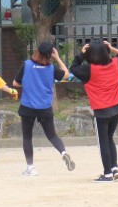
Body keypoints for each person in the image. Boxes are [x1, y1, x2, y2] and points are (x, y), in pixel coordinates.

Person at [12, 40, 76, 176]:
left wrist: (28, 84)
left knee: (27, 138)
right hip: (45, 107)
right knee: (52, 135)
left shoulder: (27, 64)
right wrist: (57, 58)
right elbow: (66, 74)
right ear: (50, 54)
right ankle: (63, 152)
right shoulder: (52, 69)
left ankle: (30, 168)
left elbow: (15, 83)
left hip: (28, 106)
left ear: (37, 51)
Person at [67, 39, 118, 182]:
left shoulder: (88, 70)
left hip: (101, 111)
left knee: (103, 142)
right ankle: (114, 168)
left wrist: (82, 54)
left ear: (90, 54)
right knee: (109, 138)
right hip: (117, 108)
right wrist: (111, 48)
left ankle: (107, 174)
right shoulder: (114, 64)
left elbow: (73, 68)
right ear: (106, 52)